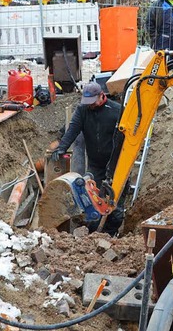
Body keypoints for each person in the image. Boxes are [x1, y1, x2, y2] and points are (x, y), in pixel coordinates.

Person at [50, 81, 125, 236]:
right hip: (96, 164)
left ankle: (112, 235)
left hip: (118, 165)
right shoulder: (83, 110)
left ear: (101, 96)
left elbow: (128, 137)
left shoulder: (117, 110)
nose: (89, 105)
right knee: (92, 202)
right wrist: (62, 147)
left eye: (92, 102)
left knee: (115, 207)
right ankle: (94, 234)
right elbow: (73, 129)